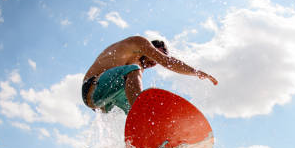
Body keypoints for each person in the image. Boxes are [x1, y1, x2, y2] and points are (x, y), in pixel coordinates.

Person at [82, 36, 218, 113]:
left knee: (148, 99)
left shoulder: (134, 71)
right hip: (92, 86)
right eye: (155, 57)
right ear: (150, 49)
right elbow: (167, 61)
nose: (155, 63)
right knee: (134, 72)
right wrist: (196, 72)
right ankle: (142, 115)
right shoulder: (138, 43)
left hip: (102, 102)